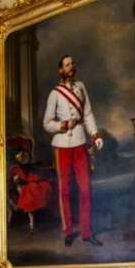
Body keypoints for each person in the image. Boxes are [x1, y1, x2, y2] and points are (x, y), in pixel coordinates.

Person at [42, 55, 104, 246]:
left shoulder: (81, 87)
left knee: (86, 189)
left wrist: (95, 135)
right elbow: (47, 124)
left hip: (79, 143)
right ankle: (68, 231)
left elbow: (87, 114)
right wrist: (63, 124)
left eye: (72, 64)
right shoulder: (55, 94)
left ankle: (86, 232)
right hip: (62, 146)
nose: (71, 67)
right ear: (61, 70)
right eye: (67, 65)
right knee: (65, 191)